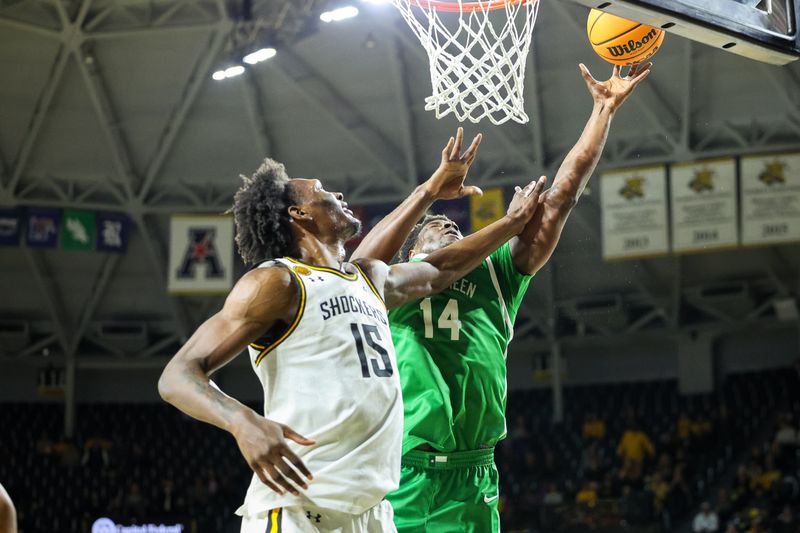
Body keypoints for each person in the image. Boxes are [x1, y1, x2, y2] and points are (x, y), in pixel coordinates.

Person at [158, 155, 547, 533]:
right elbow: (177, 376)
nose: (339, 195)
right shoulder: (276, 284)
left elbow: (440, 270)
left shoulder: (370, 278)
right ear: (299, 214)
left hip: (371, 513)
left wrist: (502, 220)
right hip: (300, 508)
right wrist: (241, 421)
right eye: (322, 191)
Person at [350, 61, 652, 533]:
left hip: (471, 474)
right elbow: (365, 264)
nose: (449, 224)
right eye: (435, 225)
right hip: (399, 471)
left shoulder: (499, 274)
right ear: (410, 248)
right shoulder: (390, 284)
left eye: (454, 224)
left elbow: (562, 197)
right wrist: (430, 194)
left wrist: (603, 111)